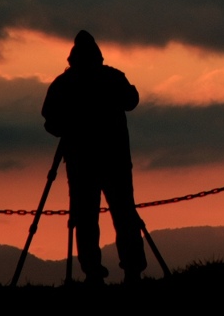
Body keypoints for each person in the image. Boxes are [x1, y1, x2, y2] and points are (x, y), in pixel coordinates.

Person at [41, 30, 148, 285]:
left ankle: (93, 273)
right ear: (98, 57)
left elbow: (50, 121)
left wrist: (69, 126)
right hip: (115, 159)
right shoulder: (112, 77)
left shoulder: (63, 84)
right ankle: (132, 270)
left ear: (72, 59)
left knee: (86, 217)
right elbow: (132, 100)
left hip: (81, 162)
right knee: (123, 213)